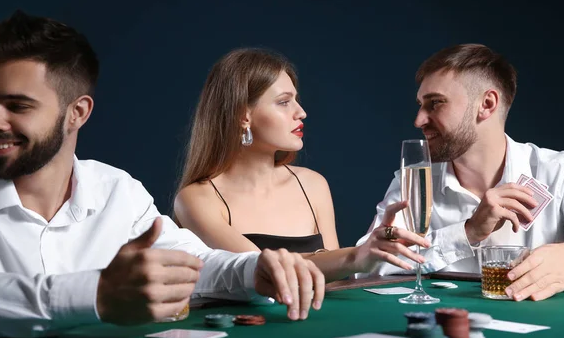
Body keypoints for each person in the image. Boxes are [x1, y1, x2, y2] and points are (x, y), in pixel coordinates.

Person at [0, 11, 325, 338]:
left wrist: (254, 271)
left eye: (18, 106)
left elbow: (193, 262)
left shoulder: (116, 190)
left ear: (77, 113)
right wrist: (96, 295)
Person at [357, 44, 564, 301]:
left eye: (435, 103)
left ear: (487, 104)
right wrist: (467, 232)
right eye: (421, 105)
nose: (418, 120)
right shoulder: (413, 182)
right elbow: (362, 268)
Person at [174, 48, 431, 281]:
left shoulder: (312, 184)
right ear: (244, 115)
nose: (301, 112)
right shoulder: (196, 199)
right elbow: (265, 272)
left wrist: (361, 256)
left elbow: (336, 278)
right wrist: (356, 256)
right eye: (284, 102)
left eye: (296, 99)